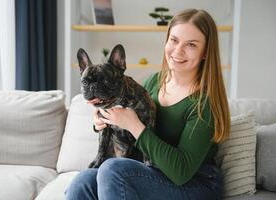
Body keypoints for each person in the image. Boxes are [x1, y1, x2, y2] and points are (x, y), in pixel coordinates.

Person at [65, 8, 230, 200]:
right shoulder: (155, 82)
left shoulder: (204, 103)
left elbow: (181, 171)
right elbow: (122, 110)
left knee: (113, 170)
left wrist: (135, 126)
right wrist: (103, 118)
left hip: (196, 183)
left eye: (191, 45)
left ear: (205, 52)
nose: (178, 51)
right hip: (156, 172)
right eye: (174, 40)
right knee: (83, 180)